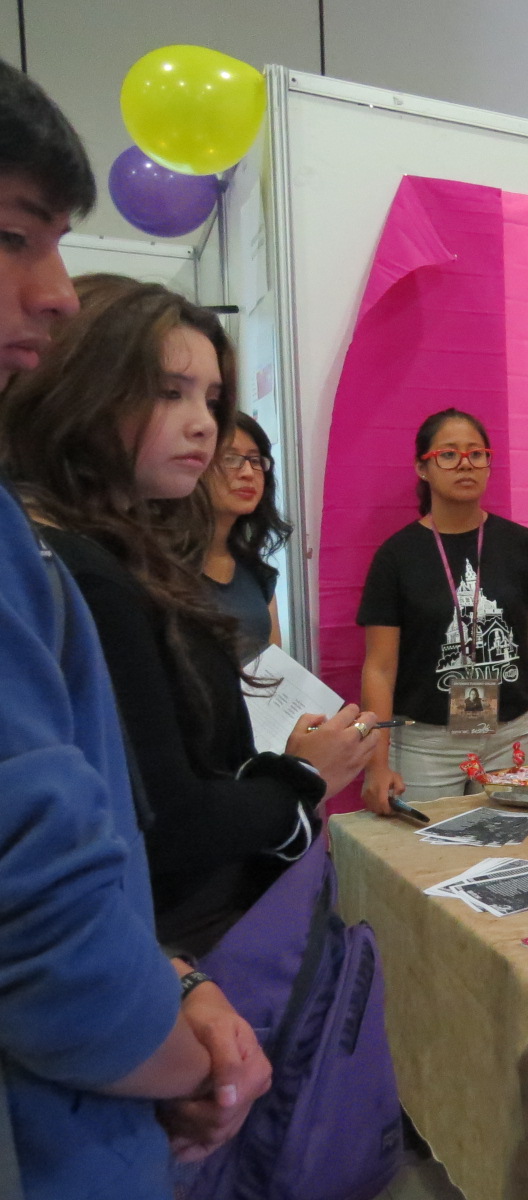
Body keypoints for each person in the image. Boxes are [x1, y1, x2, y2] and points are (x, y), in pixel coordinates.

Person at [0, 60, 269, 1198]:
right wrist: (184, 1058)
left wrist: (171, 985)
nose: (56, 292)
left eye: (211, 398)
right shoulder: (75, 562)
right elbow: (51, 890)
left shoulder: (77, 549)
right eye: (15, 237)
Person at [0, 279, 381, 958]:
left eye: (210, 398)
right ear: (83, 388)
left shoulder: (122, 556)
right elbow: (163, 819)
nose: (203, 424)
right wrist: (301, 776)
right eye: (168, 392)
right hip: (169, 937)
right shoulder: (83, 570)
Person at [358, 408, 528, 810]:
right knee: (428, 846)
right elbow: (379, 668)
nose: (465, 464)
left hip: (513, 735)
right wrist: (376, 764)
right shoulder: (396, 556)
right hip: (426, 746)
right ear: (422, 468)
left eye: (476, 454)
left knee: (518, 842)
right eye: (448, 454)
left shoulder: (521, 544)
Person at [203, 410, 289, 662]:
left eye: (255, 460)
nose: (248, 473)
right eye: (230, 458)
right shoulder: (159, 565)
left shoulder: (256, 572)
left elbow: (275, 670)